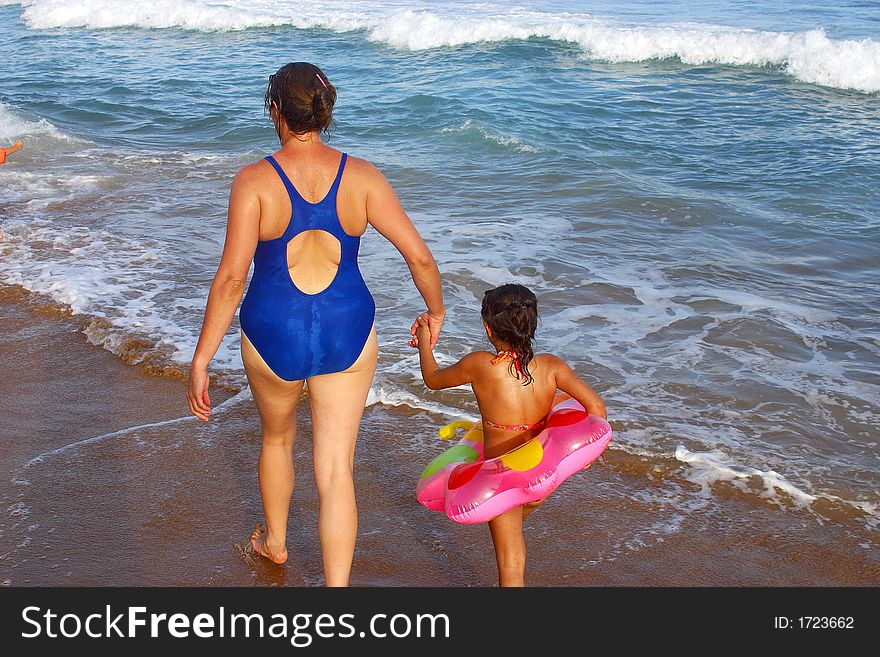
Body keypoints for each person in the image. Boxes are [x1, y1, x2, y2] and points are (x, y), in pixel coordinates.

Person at [187, 62, 445, 586]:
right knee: (335, 469)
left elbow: (232, 278)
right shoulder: (363, 175)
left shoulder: (254, 180)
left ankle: (276, 542)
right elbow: (418, 257)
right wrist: (435, 312)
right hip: (346, 330)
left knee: (277, 440)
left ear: (275, 110)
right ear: (324, 111)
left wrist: (201, 358)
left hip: (270, 329)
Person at [414, 283, 605, 586]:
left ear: (489, 328)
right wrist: (588, 454)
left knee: (511, 563)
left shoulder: (479, 365)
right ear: (532, 323)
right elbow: (594, 406)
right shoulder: (551, 366)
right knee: (512, 535)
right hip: (541, 477)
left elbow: (433, 380)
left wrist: (425, 342)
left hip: (502, 478)